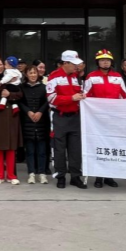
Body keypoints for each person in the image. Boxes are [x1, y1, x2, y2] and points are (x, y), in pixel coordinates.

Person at [83, 49, 126, 189]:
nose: (105, 62)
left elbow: (124, 96)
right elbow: (86, 96)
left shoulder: (117, 77)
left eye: (108, 60)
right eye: (102, 60)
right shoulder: (91, 77)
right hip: (97, 119)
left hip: (113, 118)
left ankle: (109, 176)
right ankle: (98, 176)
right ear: (98, 62)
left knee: (112, 146)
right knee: (98, 146)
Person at [46, 51, 87, 190]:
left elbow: (80, 93)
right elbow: (51, 98)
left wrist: (82, 96)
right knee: (59, 148)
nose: (76, 67)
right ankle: (61, 176)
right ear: (65, 63)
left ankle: (75, 176)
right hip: (60, 117)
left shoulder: (77, 77)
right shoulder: (54, 77)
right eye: (74, 64)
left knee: (75, 149)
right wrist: (71, 98)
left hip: (75, 117)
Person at [0, 58, 23, 185]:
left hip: (12, 113)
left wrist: (9, 95)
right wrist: (3, 83)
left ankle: (11, 175)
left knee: (11, 146)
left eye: (1, 64)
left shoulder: (11, 74)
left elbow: (20, 94)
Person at [20, 64, 49, 185]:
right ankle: (31, 173)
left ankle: (42, 173)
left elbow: (47, 101)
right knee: (30, 151)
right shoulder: (22, 87)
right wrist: (28, 112)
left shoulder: (44, 87)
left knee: (42, 151)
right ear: (26, 74)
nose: (33, 75)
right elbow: (20, 102)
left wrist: (40, 112)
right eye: (30, 73)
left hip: (42, 122)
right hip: (28, 122)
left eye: (35, 73)